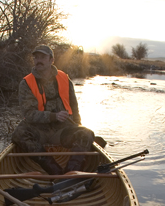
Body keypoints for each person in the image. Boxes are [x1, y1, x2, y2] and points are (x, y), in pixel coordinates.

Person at [11, 44, 101, 175]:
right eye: (36, 58)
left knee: (86, 134)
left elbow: (74, 107)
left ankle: (71, 173)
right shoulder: (26, 83)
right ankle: (55, 172)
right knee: (19, 134)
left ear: (51, 60)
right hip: (38, 130)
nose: (38, 60)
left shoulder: (64, 78)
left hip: (61, 130)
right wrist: (53, 116)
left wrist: (78, 125)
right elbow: (29, 114)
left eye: (43, 57)